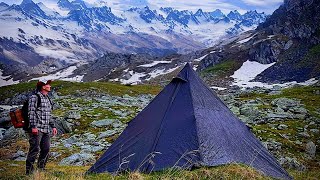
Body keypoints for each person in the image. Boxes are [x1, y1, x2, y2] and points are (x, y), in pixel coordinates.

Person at [26, 79, 57, 175]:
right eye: (48, 84)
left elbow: (49, 114)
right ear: (43, 86)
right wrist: (33, 126)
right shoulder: (34, 97)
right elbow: (31, 112)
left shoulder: (47, 98)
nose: (50, 86)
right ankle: (29, 172)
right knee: (34, 149)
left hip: (46, 129)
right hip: (37, 128)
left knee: (46, 149)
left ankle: (41, 169)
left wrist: (53, 126)